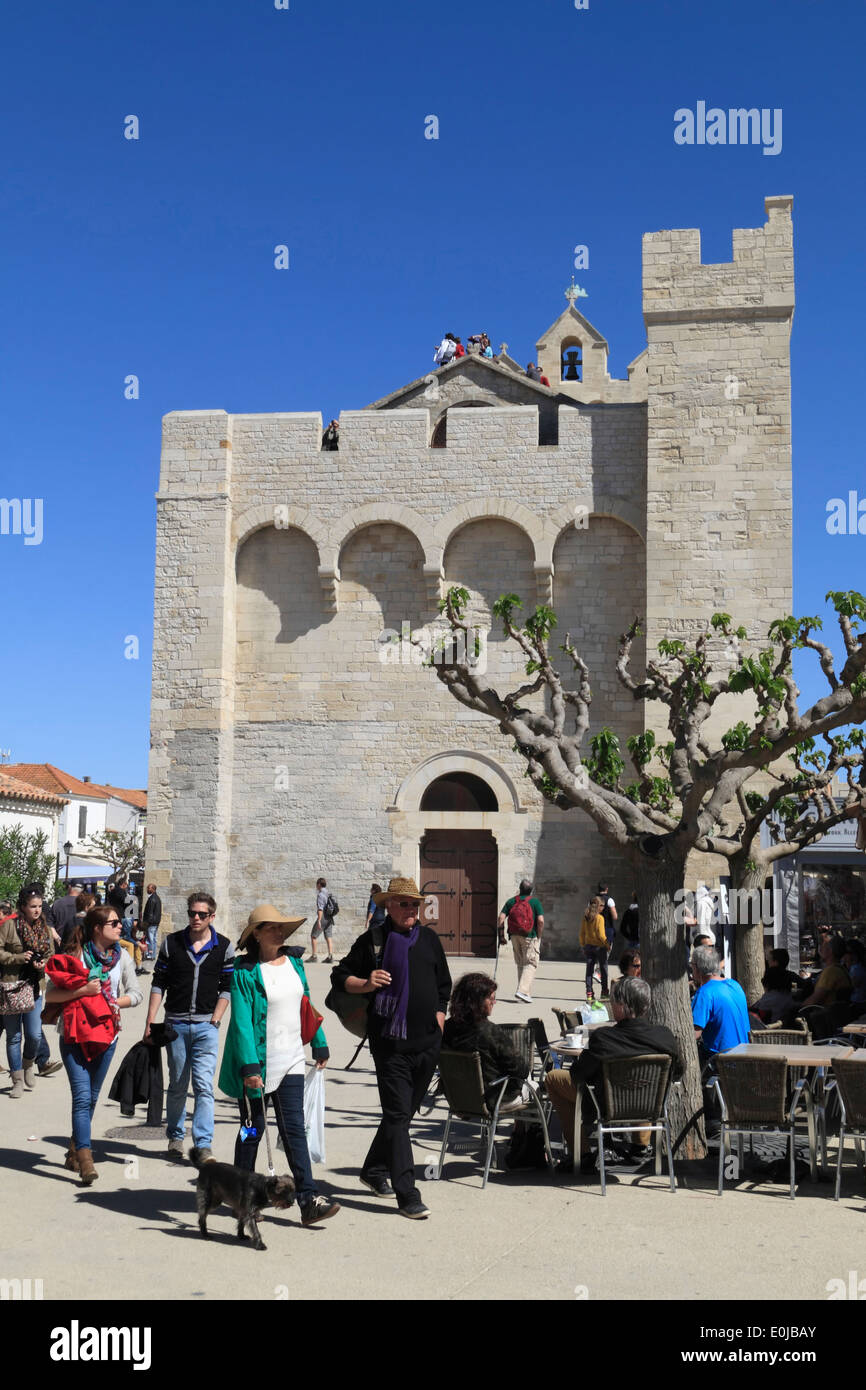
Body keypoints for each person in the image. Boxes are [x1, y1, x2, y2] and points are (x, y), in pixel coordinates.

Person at [332, 875, 452, 1219]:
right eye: (404, 904)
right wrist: (366, 983)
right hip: (390, 1046)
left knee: (402, 1115)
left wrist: (440, 1016)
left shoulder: (429, 940)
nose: (412, 909)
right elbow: (339, 976)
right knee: (398, 1116)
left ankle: (372, 1170)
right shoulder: (373, 941)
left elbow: (443, 984)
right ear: (388, 906)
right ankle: (407, 1193)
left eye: (415, 904)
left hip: (428, 1043)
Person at [218, 904, 340, 1227]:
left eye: (280, 926)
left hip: (291, 1060)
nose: (278, 931)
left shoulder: (296, 963)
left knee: (294, 1131)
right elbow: (241, 1022)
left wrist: (319, 1041)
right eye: (270, 927)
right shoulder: (244, 971)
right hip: (258, 1062)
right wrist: (249, 1068)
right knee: (251, 1130)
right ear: (256, 934)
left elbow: (306, 1005)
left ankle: (308, 1200)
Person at [45, 904, 143, 1183]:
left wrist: (113, 1002)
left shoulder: (122, 956)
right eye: (114, 923)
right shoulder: (76, 955)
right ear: (98, 928)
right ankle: (87, 1159)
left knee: (91, 1097)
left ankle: (74, 1149)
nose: (120, 926)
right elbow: (50, 997)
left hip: (107, 1036)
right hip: (73, 1035)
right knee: (81, 1096)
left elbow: (136, 994)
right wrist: (84, 990)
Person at [545, 976, 682, 1168]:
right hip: (650, 1104)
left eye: (614, 1001)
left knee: (553, 1078)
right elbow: (678, 1071)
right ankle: (640, 1145)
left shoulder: (605, 1038)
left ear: (622, 1006)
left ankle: (581, 1153)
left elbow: (579, 1073)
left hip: (608, 1104)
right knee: (647, 1081)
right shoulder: (664, 1036)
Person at [145, 891, 235, 1162]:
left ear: (212, 916)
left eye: (202, 914)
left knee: (204, 1086)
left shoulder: (224, 947)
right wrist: (150, 1021)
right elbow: (158, 982)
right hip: (176, 1025)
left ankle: (203, 1143)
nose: (196, 918)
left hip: (206, 1026)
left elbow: (227, 988)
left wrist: (216, 1020)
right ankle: (175, 1136)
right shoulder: (171, 943)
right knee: (177, 1085)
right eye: (192, 913)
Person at [0, 887, 61, 1096]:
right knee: (14, 1036)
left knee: (34, 1035)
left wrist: (42, 963)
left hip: (35, 986)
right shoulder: (9, 926)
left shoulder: (44, 927)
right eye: (33, 906)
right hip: (12, 986)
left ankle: (28, 1064)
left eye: (39, 906)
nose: (37, 910)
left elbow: (51, 952)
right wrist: (18, 958)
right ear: (23, 907)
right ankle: (17, 1080)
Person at [442, 973, 528, 1106]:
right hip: (493, 1098)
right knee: (533, 1087)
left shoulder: (446, 1029)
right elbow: (520, 1070)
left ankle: (521, 1127)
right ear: (476, 1002)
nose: (494, 1002)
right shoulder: (491, 1032)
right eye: (491, 999)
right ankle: (532, 1126)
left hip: (457, 1098)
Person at [691, 945, 750, 1069]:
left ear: (697, 968)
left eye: (692, 964)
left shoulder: (705, 993)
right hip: (746, 1056)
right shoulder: (734, 985)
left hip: (721, 1060)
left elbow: (694, 1034)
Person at [497, 879, 544, 1004]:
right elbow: (540, 921)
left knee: (521, 963)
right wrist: (539, 936)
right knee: (531, 963)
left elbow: (501, 917)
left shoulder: (512, 901)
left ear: (520, 888)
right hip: (530, 935)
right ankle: (522, 991)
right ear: (531, 890)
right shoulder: (535, 902)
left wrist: (501, 936)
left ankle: (525, 993)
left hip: (514, 935)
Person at [798, 933, 852, 1009]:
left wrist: (797, 1008)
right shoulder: (841, 969)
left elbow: (814, 1000)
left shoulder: (830, 972)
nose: (820, 950)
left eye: (823, 947)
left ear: (830, 951)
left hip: (825, 1016)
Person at [580, 895, 608, 1000]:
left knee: (589, 971)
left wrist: (583, 944)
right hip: (599, 947)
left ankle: (589, 993)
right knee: (603, 969)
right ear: (598, 906)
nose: (603, 908)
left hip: (588, 946)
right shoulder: (600, 918)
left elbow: (582, 933)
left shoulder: (586, 917)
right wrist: (607, 944)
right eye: (602, 905)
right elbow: (601, 934)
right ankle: (604, 991)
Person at [308, 877, 335, 964]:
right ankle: (330, 956)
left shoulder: (320, 895)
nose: (316, 886)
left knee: (313, 936)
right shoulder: (328, 893)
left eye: (317, 884)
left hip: (323, 917)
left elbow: (320, 909)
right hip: (330, 917)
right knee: (329, 936)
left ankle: (314, 956)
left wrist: (319, 920)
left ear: (319, 884)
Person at [843, 938, 866, 1006]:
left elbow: (852, 986)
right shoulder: (860, 966)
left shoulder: (856, 969)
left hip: (857, 1003)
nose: (844, 956)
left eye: (846, 953)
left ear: (854, 955)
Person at [142, 883, 162, 962]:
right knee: (153, 939)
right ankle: (152, 954)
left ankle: (150, 955)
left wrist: (146, 923)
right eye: (147, 888)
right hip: (155, 922)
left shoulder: (152, 899)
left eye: (148, 888)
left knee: (150, 940)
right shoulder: (156, 898)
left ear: (153, 889)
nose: (147, 889)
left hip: (151, 923)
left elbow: (150, 913)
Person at [597, 881, 618, 958]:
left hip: (595, 928)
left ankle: (598, 966)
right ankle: (600, 967)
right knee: (606, 952)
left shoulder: (592, 900)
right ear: (607, 889)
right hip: (607, 928)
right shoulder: (609, 900)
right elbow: (615, 916)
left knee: (597, 949)